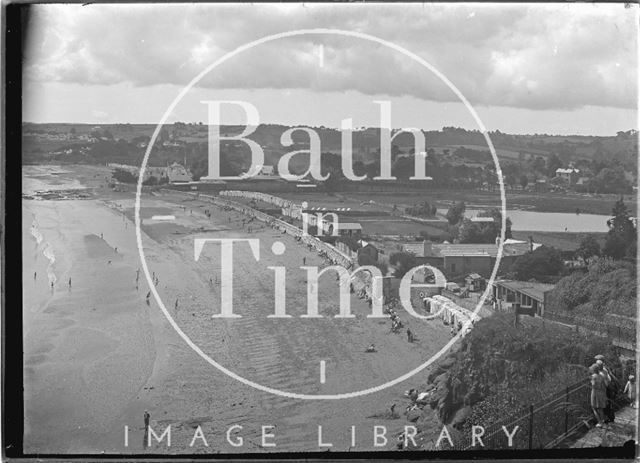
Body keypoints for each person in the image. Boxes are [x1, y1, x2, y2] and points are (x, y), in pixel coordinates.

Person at [596, 354, 618, 423]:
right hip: (609, 387)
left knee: (606, 404)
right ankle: (610, 417)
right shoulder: (606, 368)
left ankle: (607, 418)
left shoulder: (603, 370)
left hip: (606, 389)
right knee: (609, 404)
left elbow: (606, 380)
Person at [590, 363, 607, 428]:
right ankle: (602, 422)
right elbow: (604, 385)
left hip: (595, 393)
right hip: (601, 393)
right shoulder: (601, 375)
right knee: (600, 408)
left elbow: (593, 385)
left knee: (594, 407)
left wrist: (592, 382)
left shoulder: (593, 376)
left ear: (593, 369)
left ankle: (599, 422)